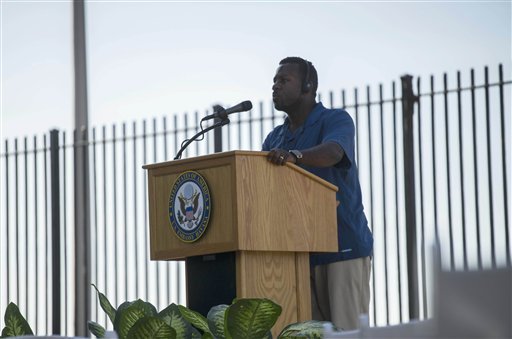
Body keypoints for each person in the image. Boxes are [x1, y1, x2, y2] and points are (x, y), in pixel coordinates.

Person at [262, 57, 373, 330]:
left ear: (308, 86)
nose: (275, 86)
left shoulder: (335, 119)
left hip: (342, 248)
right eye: (275, 80)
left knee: (349, 334)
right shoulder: (274, 139)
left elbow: (335, 152)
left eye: (284, 80)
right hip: (299, 254)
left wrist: (295, 156)